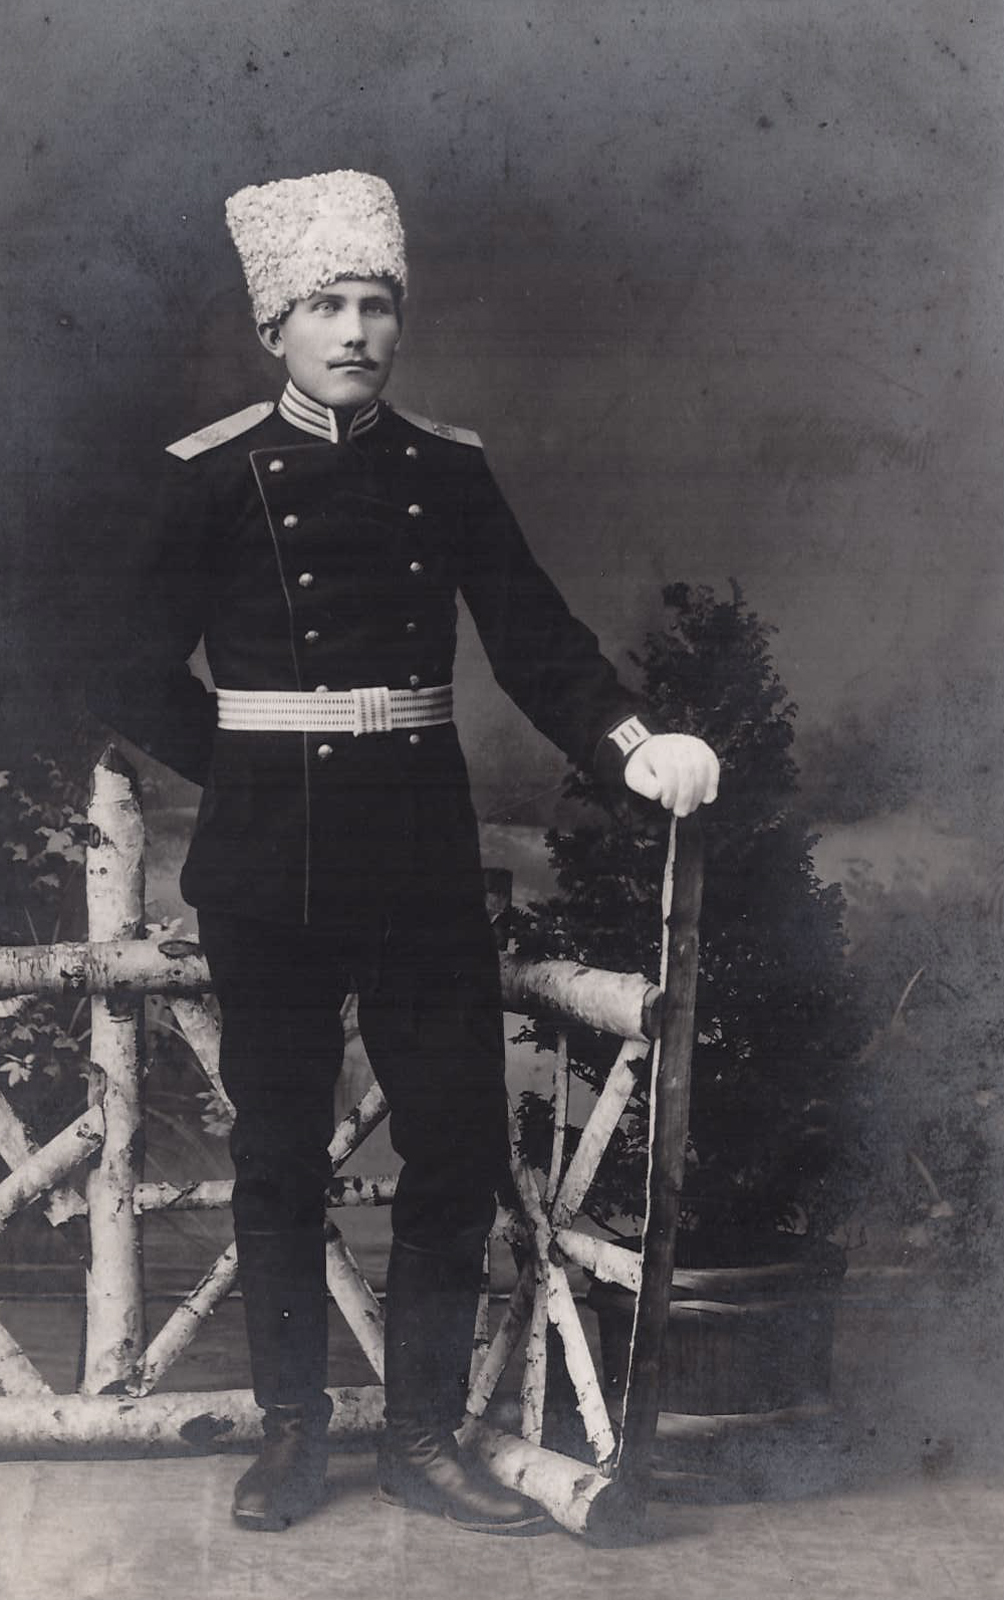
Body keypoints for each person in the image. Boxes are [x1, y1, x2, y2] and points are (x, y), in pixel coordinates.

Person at [89, 170, 719, 1535]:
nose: (357, 330)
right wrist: (248, 769)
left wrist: (628, 743)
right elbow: (124, 664)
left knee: (453, 1144)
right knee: (278, 1155)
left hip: (421, 866)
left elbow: (536, 638)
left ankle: (421, 1440)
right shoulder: (212, 474)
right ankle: (292, 1439)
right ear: (275, 326)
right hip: (269, 874)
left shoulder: (448, 469)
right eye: (327, 305)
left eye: (377, 304)